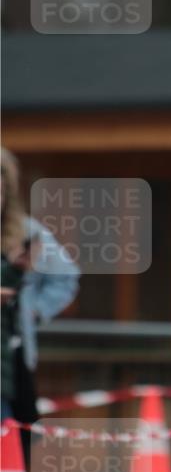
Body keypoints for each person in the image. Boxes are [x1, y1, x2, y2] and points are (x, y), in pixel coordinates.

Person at [1, 147, 80, 453]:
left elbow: (66, 276)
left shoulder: (27, 234)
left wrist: (33, 311)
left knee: (12, 439)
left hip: (10, 357)